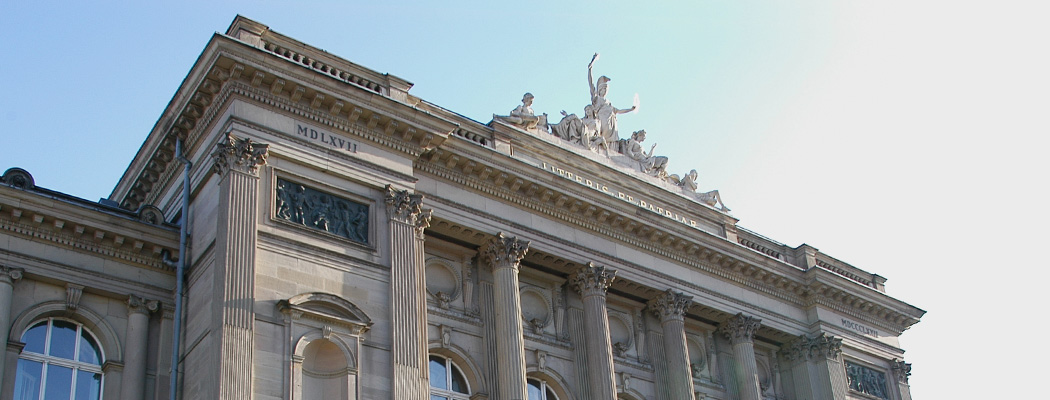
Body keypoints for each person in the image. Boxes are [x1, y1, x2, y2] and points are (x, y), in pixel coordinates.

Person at [588, 53, 636, 143]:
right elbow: (591, 84)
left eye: (606, 89)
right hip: (602, 121)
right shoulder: (596, 99)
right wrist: (590, 69)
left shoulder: (608, 103)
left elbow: (619, 111)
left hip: (611, 125)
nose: (605, 91)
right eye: (603, 89)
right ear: (600, 90)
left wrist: (631, 109)